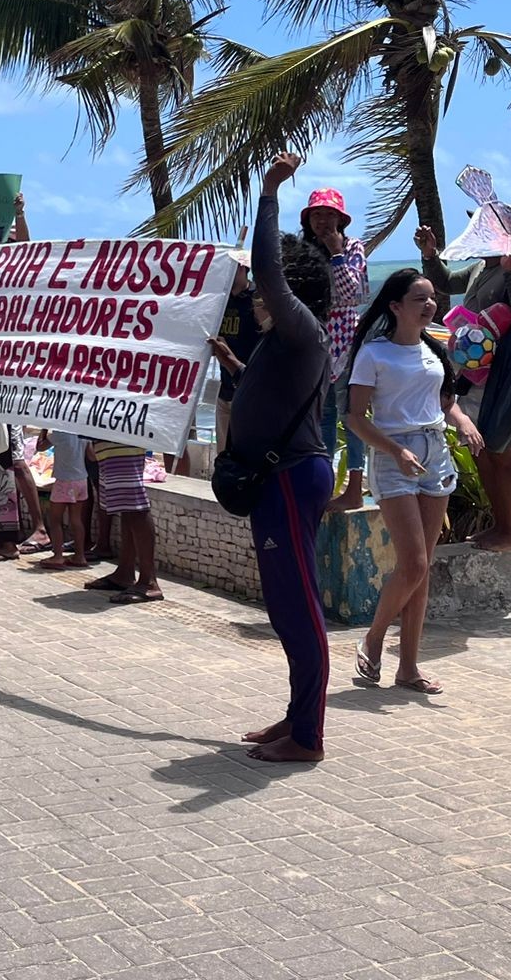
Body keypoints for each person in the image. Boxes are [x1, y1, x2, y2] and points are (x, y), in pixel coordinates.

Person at [228, 155, 333, 763]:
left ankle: (309, 738)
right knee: (285, 605)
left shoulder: (303, 330)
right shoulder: (281, 340)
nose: (258, 291)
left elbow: (267, 268)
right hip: (278, 481)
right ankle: (297, 716)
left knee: (299, 606)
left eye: (270, 287)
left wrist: (268, 192)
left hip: (291, 480)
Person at [346, 269, 484, 696]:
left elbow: (446, 403)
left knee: (421, 571)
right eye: (418, 299)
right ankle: (374, 637)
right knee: (415, 564)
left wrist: (461, 423)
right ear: (395, 306)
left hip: (435, 453)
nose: (429, 306)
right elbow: (353, 417)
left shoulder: (433, 348)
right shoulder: (374, 353)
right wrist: (394, 451)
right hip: (394, 457)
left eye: (431, 299)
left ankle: (408, 667)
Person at [418, 220, 511, 552]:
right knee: (483, 452)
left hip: (502, 377)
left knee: (503, 454)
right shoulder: (479, 268)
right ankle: (501, 526)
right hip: (473, 375)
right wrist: (430, 255)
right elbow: (445, 282)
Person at [301, 190, 372, 513]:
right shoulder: (303, 251)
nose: (322, 221)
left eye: (328, 215)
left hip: (345, 341)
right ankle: (325, 486)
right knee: (324, 417)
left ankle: (355, 487)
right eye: (316, 215)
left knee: (352, 416)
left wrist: (336, 254)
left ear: (340, 219)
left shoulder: (353, 246)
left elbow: (352, 294)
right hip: (315, 342)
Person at [88, 441, 161, 603]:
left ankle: (148, 581)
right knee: (126, 504)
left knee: (134, 504)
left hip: (120, 437)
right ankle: (125, 572)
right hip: (108, 436)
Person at [211, 252, 262, 453]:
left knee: (247, 451)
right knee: (223, 452)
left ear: (243, 268)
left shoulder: (258, 299)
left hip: (252, 389)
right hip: (225, 388)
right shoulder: (219, 300)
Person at [38, 430, 90, 571]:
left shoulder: (58, 434)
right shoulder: (83, 433)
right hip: (82, 480)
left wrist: (43, 430)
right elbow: (92, 456)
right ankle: (80, 556)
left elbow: (40, 447)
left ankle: (58, 556)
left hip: (64, 481)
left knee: (55, 520)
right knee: (76, 520)